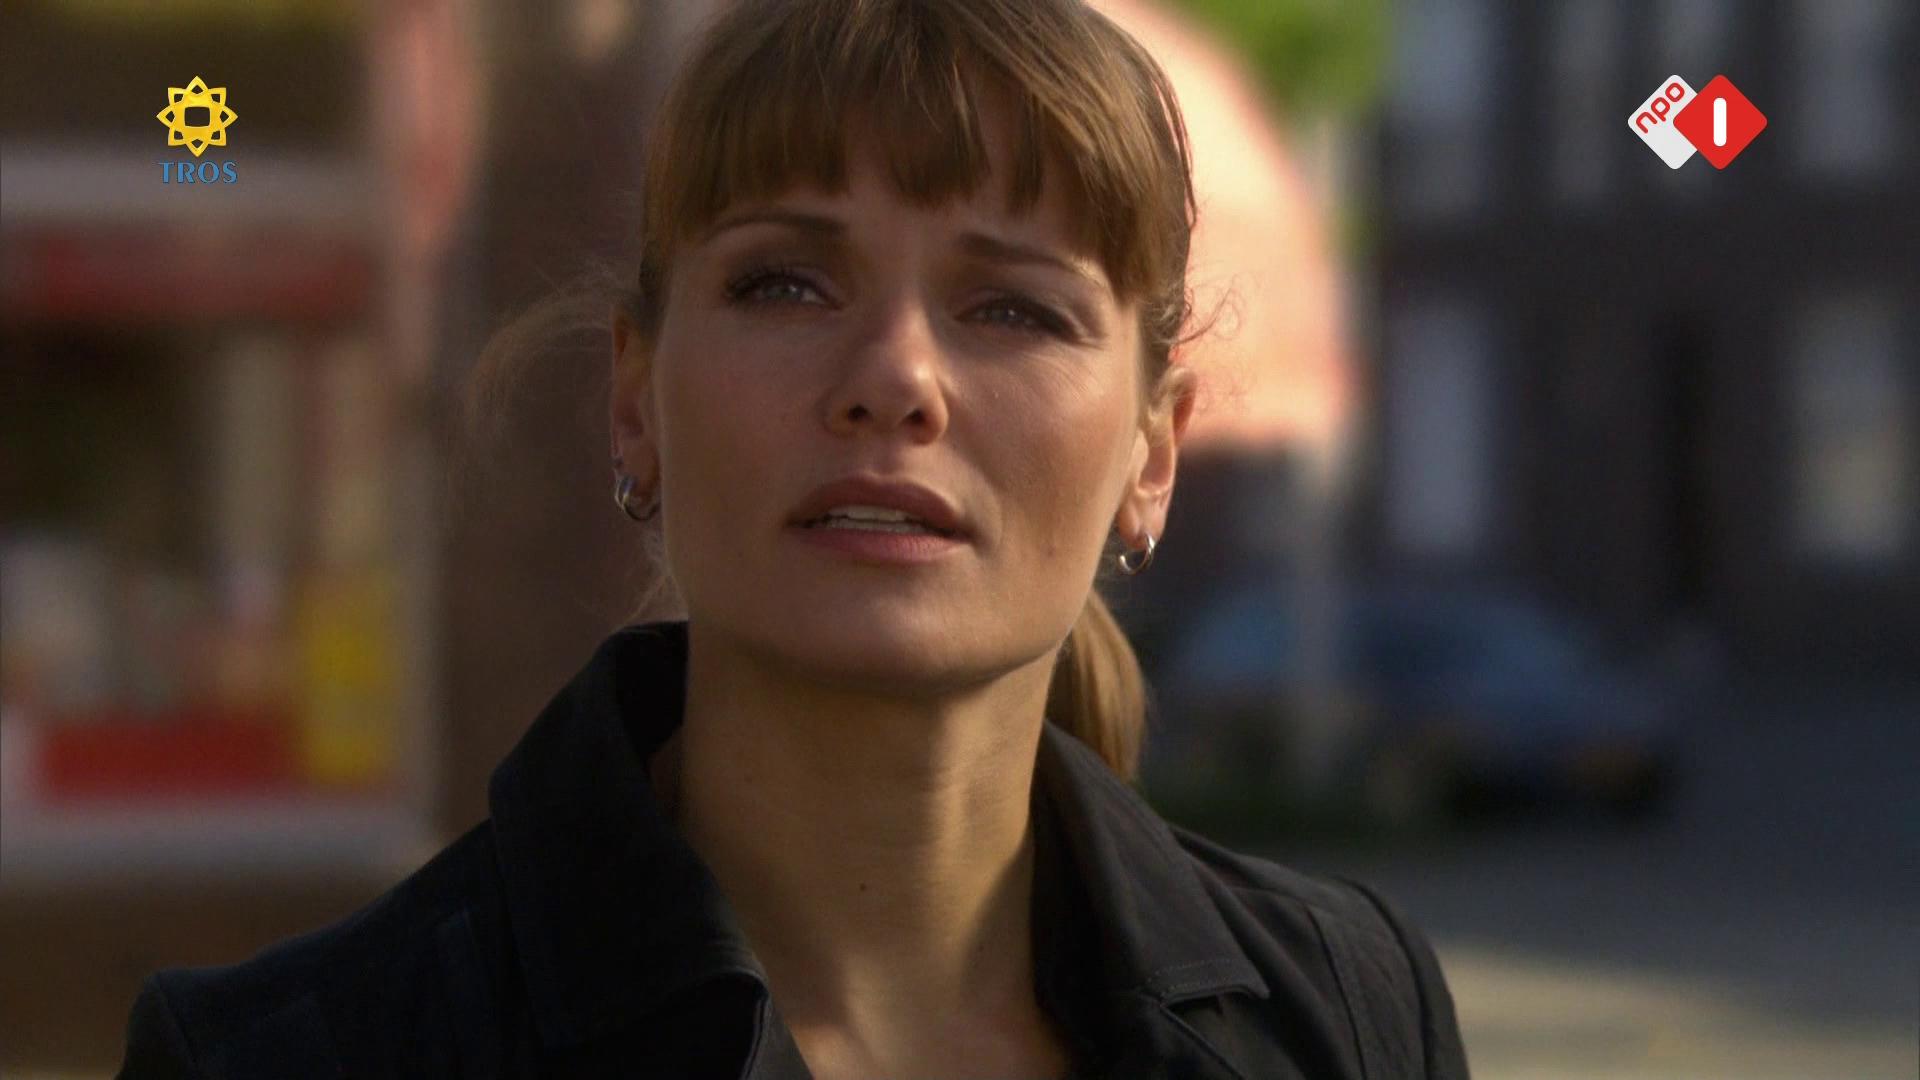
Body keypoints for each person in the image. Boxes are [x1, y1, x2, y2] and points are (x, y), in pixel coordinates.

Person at [117, 1, 1470, 1076]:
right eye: (785, 283)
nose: (895, 378)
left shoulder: (1349, 1017)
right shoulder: (289, 1055)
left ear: (1152, 451)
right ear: (636, 403)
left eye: (1013, 308)